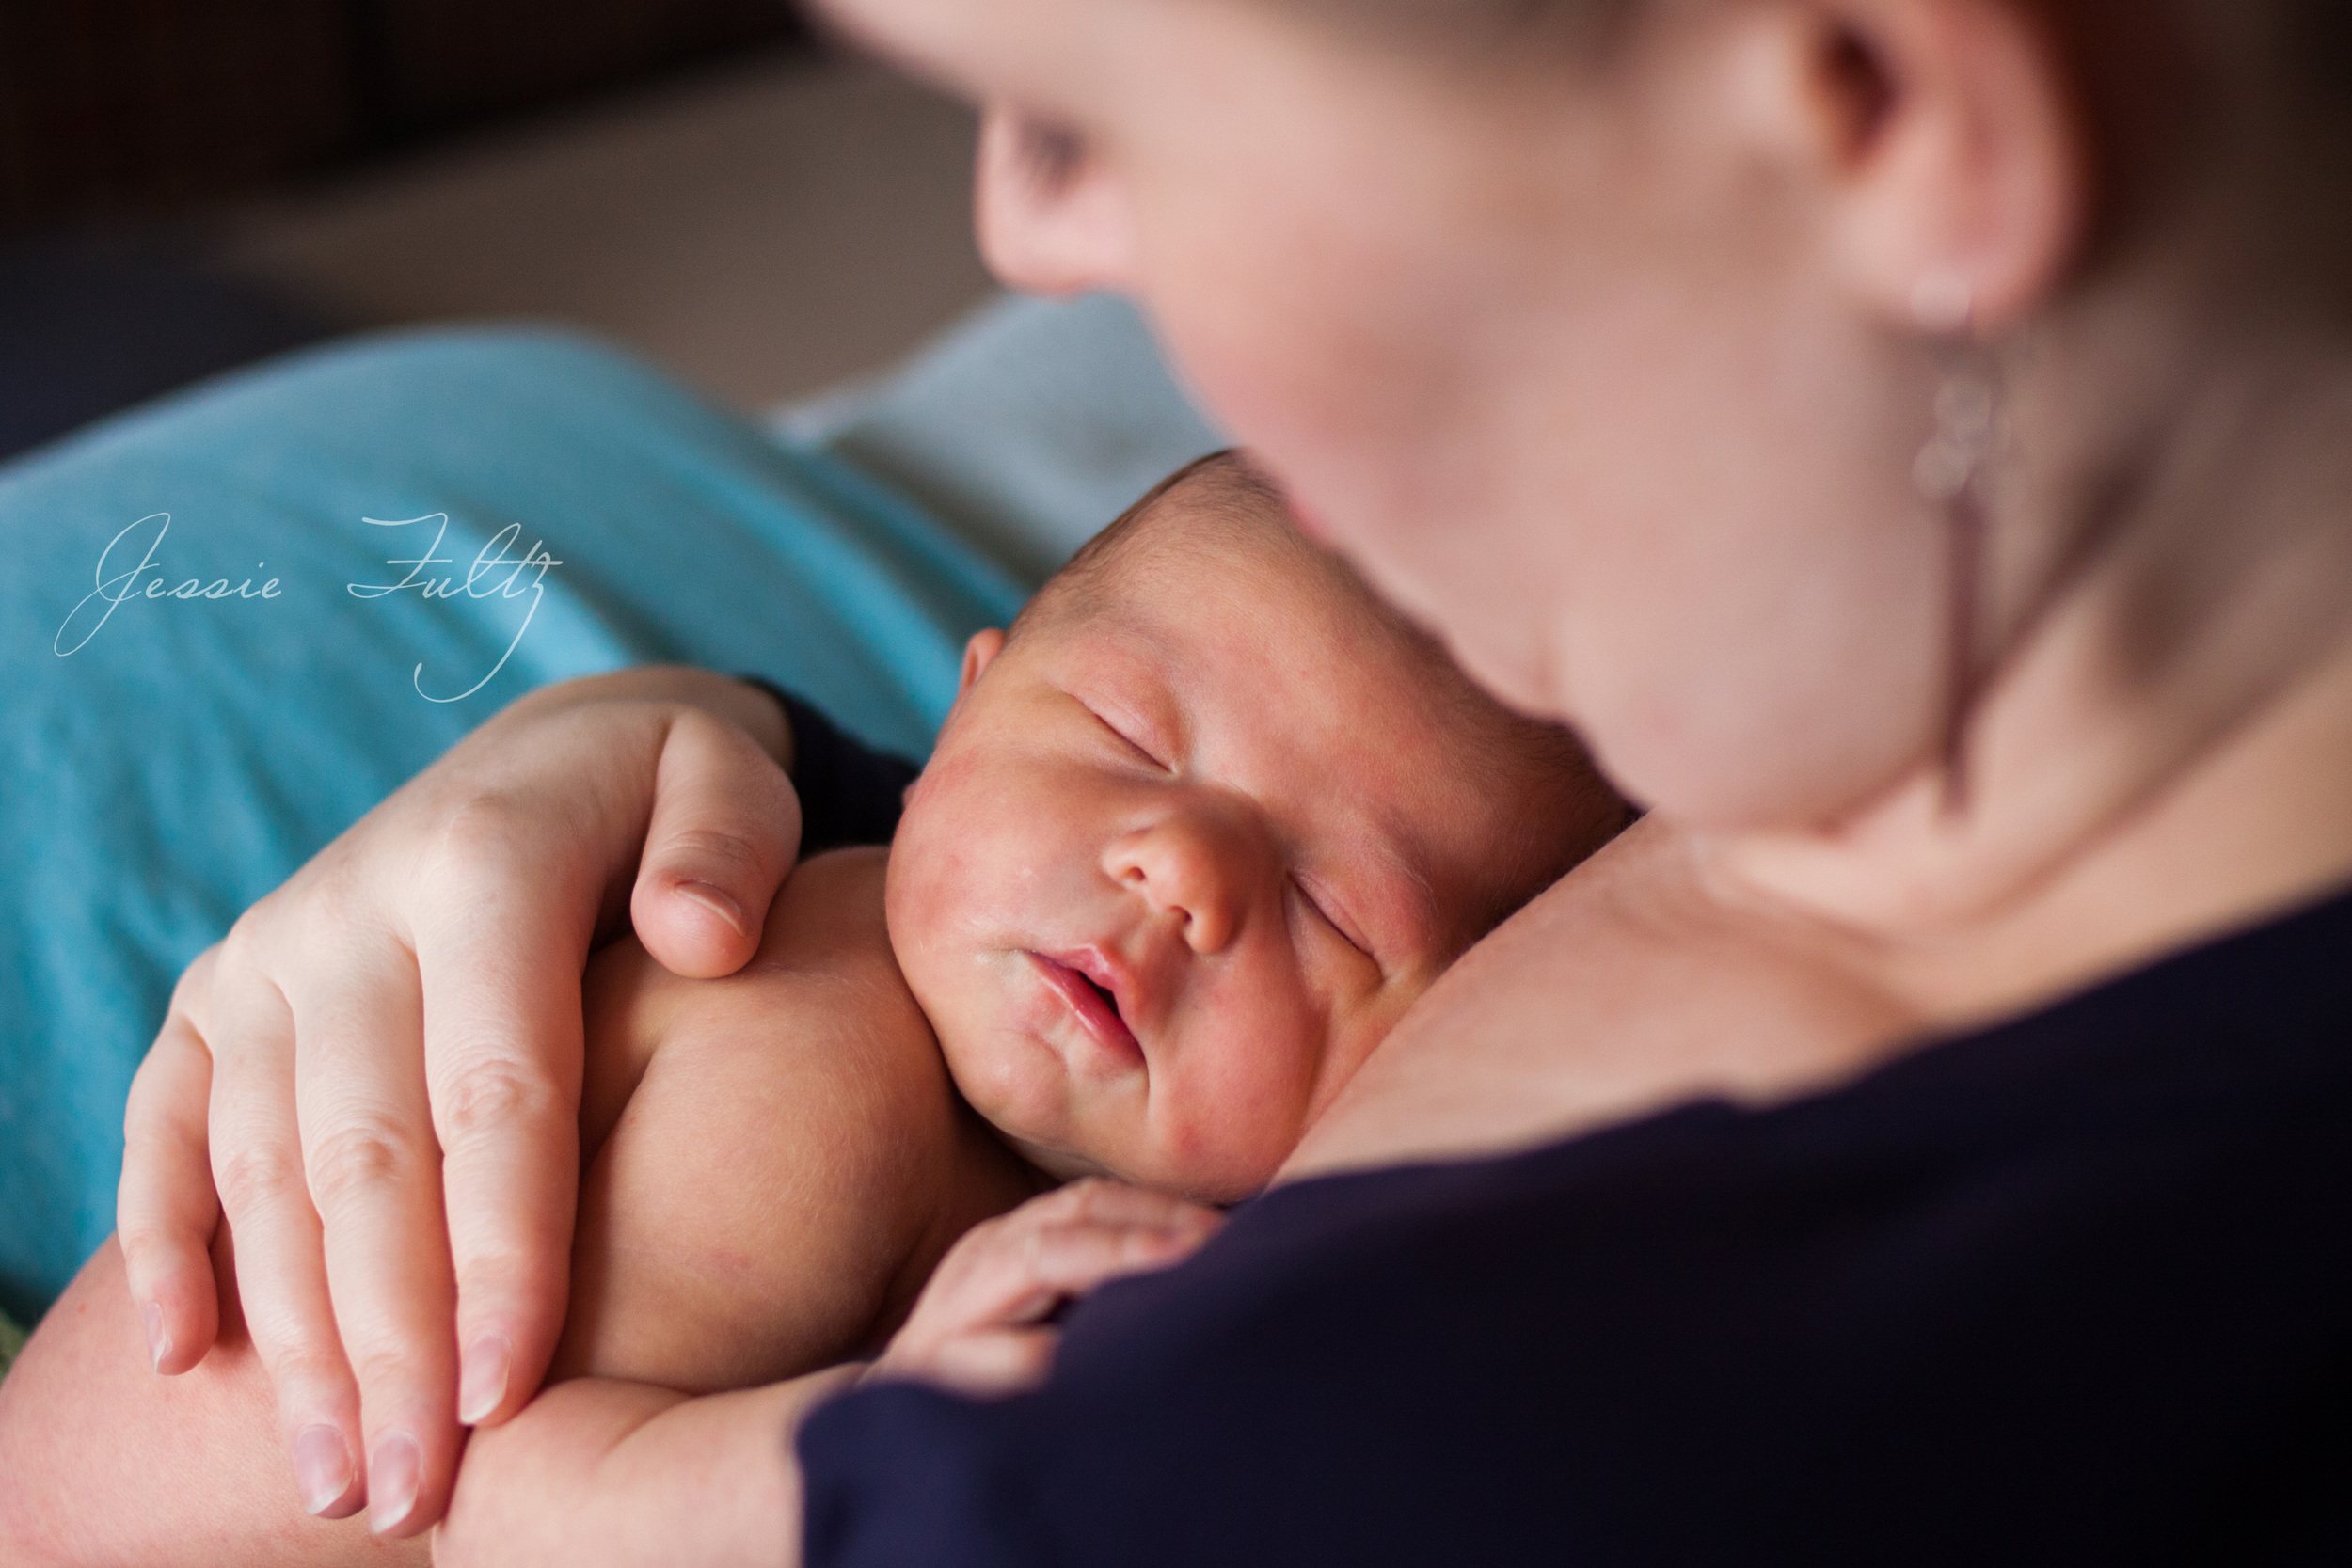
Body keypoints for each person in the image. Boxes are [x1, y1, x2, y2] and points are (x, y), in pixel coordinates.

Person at [19, 0, 2352, 1560]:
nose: (1033, 243)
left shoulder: (1379, 1455)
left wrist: (810, 1458)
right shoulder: (1860, 661)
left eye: (1087, 115)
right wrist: (678, 754)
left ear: (1884, 100)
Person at [0, 451, 1624, 1561]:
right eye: (1131, 738)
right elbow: (505, 1518)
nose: (1180, 870)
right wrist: (882, 1439)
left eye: (1339, 909)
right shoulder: (820, 1054)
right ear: (960, 713)